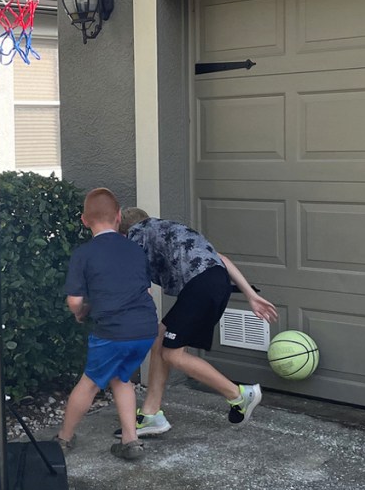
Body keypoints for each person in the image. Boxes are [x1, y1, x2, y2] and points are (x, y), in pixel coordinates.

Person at [117, 208, 279, 438]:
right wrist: (251, 295)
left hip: (200, 287)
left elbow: (137, 279)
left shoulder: (136, 234)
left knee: (173, 354)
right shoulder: (170, 228)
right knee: (160, 337)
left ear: (124, 231)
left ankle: (239, 394)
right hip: (214, 283)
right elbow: (222, 259)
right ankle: (151, 414)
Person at [53, 188, 159, 460]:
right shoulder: (135, 249)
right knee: (122, 378)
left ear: (84, 220)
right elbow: (144, 291)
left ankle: (63, 440)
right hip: (146, 327)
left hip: (114, 331)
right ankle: (131, 441)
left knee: (88, 383)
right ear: (118, 217)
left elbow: (74, 301)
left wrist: (81, 312)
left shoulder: (84, 254)